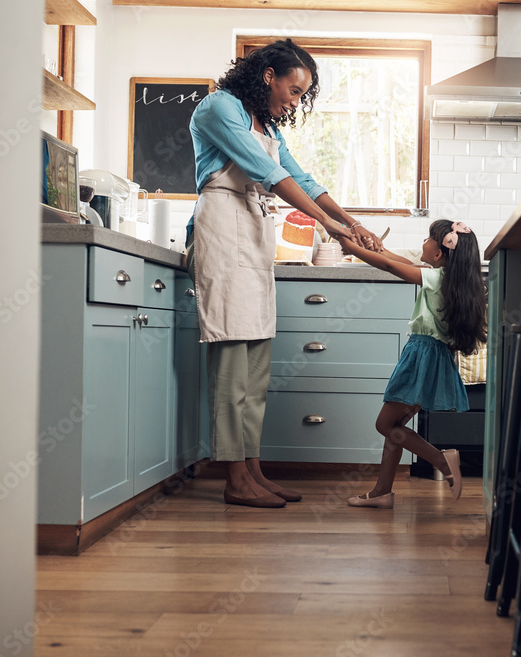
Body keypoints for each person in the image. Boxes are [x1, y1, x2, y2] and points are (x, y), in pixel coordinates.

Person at [185, 39, 384, 508]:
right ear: (268, 74)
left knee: (256, 363)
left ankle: (253, 470)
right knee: (233, 361)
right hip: (222, 225)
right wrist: (331, 226)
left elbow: (304, 178)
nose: (294, 101)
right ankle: (234, 478)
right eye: (293, 90)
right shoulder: (219, 107)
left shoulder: (267, 125)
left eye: (301, 95)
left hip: (253, 232)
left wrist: (354, 223)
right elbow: (265, 171)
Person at [336, 220, 487, 509]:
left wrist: (351, 248)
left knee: (385, 424)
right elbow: (400, 261)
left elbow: (394, 268)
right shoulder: (445, 277)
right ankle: (382, 492)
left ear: (440, 254)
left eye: (429, 239)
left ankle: (442, 461)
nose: (424, 243)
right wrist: (381, 249)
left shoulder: (436, 279)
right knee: (396, 425)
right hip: (432, 355)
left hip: (422, 355)